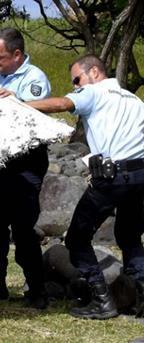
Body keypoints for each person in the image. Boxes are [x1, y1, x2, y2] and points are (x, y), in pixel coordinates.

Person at [26, 54, 144, 320]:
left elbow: (62, 103)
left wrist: (20, 104)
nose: (76, 86)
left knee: (77, 239)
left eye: (77, 80)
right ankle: (140, 300)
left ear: (94, 72)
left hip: (112, 178)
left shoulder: (93, 93)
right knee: (130, 238)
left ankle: (102, 301)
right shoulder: (134, 100)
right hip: (139, 176)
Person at [0, 27, 51, 309]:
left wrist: (16, 100)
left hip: (25, 164)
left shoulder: (34, 78)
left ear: (17, 55)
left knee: (24, 230)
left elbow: (36, 111)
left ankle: (37, 290)